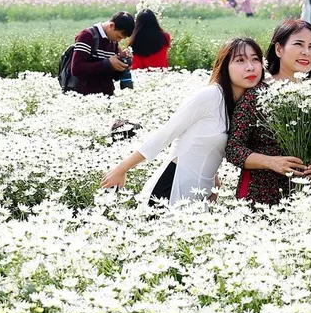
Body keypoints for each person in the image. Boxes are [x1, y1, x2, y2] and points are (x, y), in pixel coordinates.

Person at [101, 38, 263, 205]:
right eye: (240, 60)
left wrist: (214, 181)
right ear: (224, 66)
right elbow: (165, 134)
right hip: (172, 188)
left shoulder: (242, 105)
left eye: (255, 59)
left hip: (202, 194)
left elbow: (207, 145)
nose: (250, 67)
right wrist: (121, 169)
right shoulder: (210, 96)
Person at [225, 19, 311, 205]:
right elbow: (234, 149)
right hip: (258, 198)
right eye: (298, 44)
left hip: (303, 198)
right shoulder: (256, 95)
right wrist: (272, 162)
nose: (306, 52)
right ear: (279, 49)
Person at [70, 11, 135, 96]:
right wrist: (107, 63)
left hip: (107, 97)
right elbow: (76, 69)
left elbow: (110, 75)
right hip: (87, 98)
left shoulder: (113, 42)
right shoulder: (87, 36)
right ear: (111, 26)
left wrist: (122, 65)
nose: (119, 40)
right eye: (118, 36)